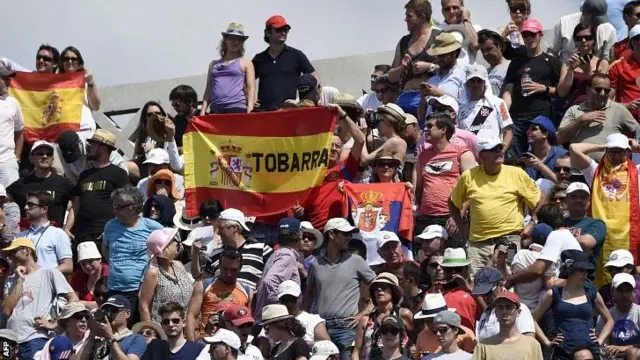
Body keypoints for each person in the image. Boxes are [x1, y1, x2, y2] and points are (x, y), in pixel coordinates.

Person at [449, 136, 543, 277]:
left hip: (510, 241)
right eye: (493, 149)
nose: (499, 152)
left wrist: (533, 222)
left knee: (509, 279)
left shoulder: (516, 174)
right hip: (478, 245)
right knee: (478, 284)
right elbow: (452, 202)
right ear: (481, 155)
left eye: (500, 148)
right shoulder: (468, 177)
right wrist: (463, 229)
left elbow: (541, 199)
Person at [569, 134, 640, 285]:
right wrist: (602, 146)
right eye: (612, 151)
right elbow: (574, 148)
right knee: (600, 275)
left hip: (626, 235)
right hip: (599, 235)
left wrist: (638, 149)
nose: (616, 155)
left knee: (625, 277)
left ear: (627, 152)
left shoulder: (637, 172)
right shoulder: (595, 170)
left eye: (620, 151)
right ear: (606, 151)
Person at [302, 218, 376, 359]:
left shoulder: (356, 260)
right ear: (331, 235)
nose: (349, 237)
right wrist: (305, 321)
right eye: (345, 234)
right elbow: (309, 294)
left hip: (347, 327)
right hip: (320, 326)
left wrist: (365, 312)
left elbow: (380, 285)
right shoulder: (315, 264)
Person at [1, 237, 78, 360]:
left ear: (27, 250)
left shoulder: (49, 272)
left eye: (13, 252)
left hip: (34, 338)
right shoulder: (11, 280)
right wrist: (20, 280)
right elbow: (6, 311)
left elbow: (73, 299)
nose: (11, 257)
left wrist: (56, 323)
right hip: (9, 339)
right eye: (9, 255)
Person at [532, 249, 614, 359]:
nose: (585, 273)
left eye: (587, 270)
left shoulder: (592, 292)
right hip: (562, 351)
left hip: (589, 351)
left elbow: (610, 320)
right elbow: (532, 319)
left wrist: (600, 339)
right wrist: (547, 342)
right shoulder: (553, 294)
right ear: (570, 271)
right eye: (581, 269)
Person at [103, 185, 164, 325]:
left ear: (133, 207)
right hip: (114, 289)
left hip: (139, 291)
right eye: (114, 206)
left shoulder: (151, 226)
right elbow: (105, 248)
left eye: (119, 207)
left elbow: (174, 246)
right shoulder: (110, 226)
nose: (115, 210)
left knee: (137, 328)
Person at [501, 18, 561, 158]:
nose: (529, 38)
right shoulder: (515, 63)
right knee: (515, 156)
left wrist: (543, 88)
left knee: (540, 155)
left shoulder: (551, 61)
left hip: (540, 116)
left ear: (540, 35)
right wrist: (504, 113)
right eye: (525, 35)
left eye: (532, 35)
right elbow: (508, 91)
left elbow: (561, 92)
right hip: (517, 117)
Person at [415, 113, 476, 241]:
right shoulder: (422, 156)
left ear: (443, 130)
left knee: (453, 257)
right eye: (425, 126)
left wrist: (458, 215)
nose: (426, 129)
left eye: (430, 126)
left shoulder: (462, 153)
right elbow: (419, 188)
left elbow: (471, 188)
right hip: (426, 217)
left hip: (452, 216)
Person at [557, 73, 637, 162]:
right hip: (579, 171)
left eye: (607, 91)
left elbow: (637, 130)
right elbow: (560, 138)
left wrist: (633, 144)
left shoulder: (618, 109)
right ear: (587, 90)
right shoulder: (574, 110)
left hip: (609, 171)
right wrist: (581, 120)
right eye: (598, 90)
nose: (603, 94)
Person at [71, 129, 130, 246]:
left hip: (107, 234)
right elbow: (75, 205)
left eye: (93, 144)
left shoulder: (119, 174)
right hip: (82, 234)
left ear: (103, 148)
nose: (89, 147)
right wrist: (67, 228)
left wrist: (113, 228)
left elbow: (126, 204)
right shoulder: (84, 175)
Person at [185, 249, 252, 341]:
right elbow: (191, 315)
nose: (229, 273)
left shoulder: (247, 291)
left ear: (240, 268)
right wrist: (191, 344)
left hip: (236, 343)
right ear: (219, 266)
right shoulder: (204, 286)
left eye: (233, 270)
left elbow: (249, 322)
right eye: (225, 269)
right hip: (208, 340)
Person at [253, 15, 315, 111]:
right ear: (268, 32)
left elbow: (314, 78)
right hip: (263, 114)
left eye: (286, 30)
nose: (283, 32)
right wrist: (251, 99)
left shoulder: (297, 55)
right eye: (278, 30)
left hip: (288, 114)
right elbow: (246, 82)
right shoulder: (259, 59)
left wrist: (301, 101)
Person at [7, 140, 74, 227]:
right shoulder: (21, 184)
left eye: (49, 154)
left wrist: (68, 228)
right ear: (31, 158)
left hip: (54, 235)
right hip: (27, 234)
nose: (45, 156)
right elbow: (4, 199)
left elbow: (77, 203)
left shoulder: (64, 183)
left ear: (52, 159)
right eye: (40, 154)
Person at [204, 208, 273, 290]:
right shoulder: (215, 254)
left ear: (235, 228)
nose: (218, 232)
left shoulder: (262, 249)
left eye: (221, 228)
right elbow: (204, 284)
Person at [352, 273, 413, 359]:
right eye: (376, 288)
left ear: (393, 291)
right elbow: (356, 351)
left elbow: (415, 341)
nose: (379, 289)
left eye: (384, 286)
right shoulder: (365, 320)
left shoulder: (403, 314)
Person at [139, 228, 194, 323]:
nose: (178, 244)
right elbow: (144, 305)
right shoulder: (153, 273)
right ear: (165, 247)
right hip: (163, 328)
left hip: (184, 325)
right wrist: (149, 329)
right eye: (174, 241)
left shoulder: (179, 265)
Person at [254, 218, 302, 322]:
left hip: (265, 320)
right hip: (273, 322)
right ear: (298, 236)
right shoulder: (287, 256)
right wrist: (283, 307)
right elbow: (270, 281)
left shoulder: (277, 254)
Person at [471, 291, 543, 360]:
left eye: (509, 307)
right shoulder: (484, 346)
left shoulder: (532, 345)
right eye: (500, 307)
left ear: (518, 312)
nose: (504, 311)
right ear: (495, 312)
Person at [202, 23, 255, 114]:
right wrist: (203, 111)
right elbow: (209, 89)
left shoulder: (246, 63)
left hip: (237, 107)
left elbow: (251, 88)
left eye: (239, 39)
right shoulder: (213, 64)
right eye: (232, 38)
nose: (235, 42)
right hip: (216, 108)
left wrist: (250, 109)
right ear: (225, 40)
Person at [470, 267, 535, 342]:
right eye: (481, 293)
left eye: (488, 292)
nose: (485, 297)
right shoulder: (485, 314)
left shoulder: (516, 309)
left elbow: (529, 344)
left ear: (500, 285)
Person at [17, 191, 73, 275]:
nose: (25, 207)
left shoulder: (57, 234)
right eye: (26, 204)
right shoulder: (19, 236)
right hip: (23, 285)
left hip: (46, 285)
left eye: (31, 205)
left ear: (44, 209)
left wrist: (41, 273)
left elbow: (68, 267)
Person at [77, 295, 147, 360]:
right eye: (106, 310)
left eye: (114, 310)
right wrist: (92, 334)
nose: (109, 313)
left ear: (127, 314)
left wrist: (110, 338)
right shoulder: (99, 339)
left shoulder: (136, 339)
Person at [557, 23, 609, 108]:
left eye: (588, 38)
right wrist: (571, 70)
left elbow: (601, 91)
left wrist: (588, 71)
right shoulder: (567, 65)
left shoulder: (602, 63)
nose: (583, 41)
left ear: (593, 40)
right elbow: (562, 93)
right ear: (575, 41)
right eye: (579, 38)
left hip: (594, 109)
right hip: (573, 109)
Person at [457, 64, 513, 144]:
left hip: (493, 153)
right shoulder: (460, 109)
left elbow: (508, 131)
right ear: (467, 84)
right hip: (470, 154)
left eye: (479, 81)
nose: (475, 85)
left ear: (485, 83)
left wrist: (502, 151)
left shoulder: (498, 103)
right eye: (472, 81)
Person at [56, 129, 128, 185]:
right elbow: (70, 176)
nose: (75, 159)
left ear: (80, 143)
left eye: (75, 154)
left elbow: (122, 172)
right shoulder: (59, 147)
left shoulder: (98, 142)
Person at [58, 46, 99, 139]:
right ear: (62, 63)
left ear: (80, 64)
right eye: (66, 59)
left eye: (74, 59)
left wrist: (91, 83)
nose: (70, 61)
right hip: (64, 134)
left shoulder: (85, 81)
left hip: (84, 130)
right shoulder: (55, 85)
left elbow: (96, 106)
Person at [596, 273, 640, 358]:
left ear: (634, 292)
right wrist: (607, 350)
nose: (624, 294)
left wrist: (624, 348)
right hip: (614, 357)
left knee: (632, 352)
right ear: (612, 292)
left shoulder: (638, 312)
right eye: (620, 290)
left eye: (628, 290)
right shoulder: (605, 316)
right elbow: (603, 346)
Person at [277, 280, 330, 346]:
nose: (289, 304)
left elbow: (328, 345)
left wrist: (299, 344)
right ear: (279, 300)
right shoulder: (272, 323)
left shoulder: (313, 320)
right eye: (285, 300)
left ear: (300, 298)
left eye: (293, 299)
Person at [609, 24, 640, 122]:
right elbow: (606, 101)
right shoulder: (618, 66)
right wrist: (625, 106)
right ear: (634, 42)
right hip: (628, 121)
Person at [0, 67, 23, 188]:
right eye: (4, 78)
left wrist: (16, 158)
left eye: (9, 79)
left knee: (11, 202)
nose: (8, 81)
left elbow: (19, 132)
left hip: (7, 161)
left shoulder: (13, 103)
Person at [71, 242, 108, 309]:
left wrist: (83, 303)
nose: (87, 266)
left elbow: (106, 303)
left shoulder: (108, 273)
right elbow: (73, 300)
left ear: (99, 259)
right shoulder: (79, 275)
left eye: (90, 261)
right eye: (83, 264)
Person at [477, 30, 511, 96]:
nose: (485, 53)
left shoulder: (511, 67)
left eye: (489, 49)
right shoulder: (485, 72)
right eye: (482, 50)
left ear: (500, 46)